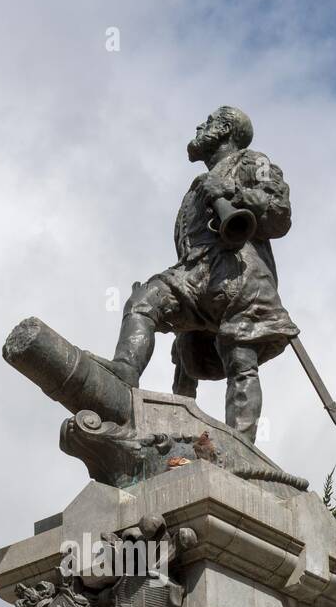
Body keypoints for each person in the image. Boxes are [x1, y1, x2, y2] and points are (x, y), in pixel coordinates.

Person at [107, 105, 298, 443]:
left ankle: (240, 445)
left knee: (240, 358)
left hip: (240, 277)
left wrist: (232, 194)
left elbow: (279, 213)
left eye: (208, 122)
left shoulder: (253, 162)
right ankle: (122, 375)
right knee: (143, 302)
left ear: (225, 130)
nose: (200, 126)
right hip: (196, 273)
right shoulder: (197, 186)